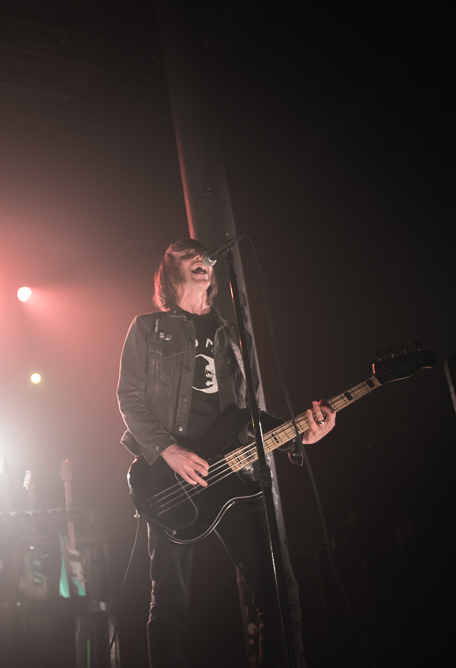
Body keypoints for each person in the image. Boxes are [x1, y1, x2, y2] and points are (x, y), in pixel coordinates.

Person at [117, 238, 336, 667]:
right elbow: (129, 398)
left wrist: (300, 436)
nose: (201, 259)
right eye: (187, 255)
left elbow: (247, 413)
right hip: (172, 478)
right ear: (169, 270)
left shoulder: (233, 334)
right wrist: (168, 451)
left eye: (204, 256)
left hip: (235, 475)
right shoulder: (146, 328)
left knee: (279, 592)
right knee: (170, 600)